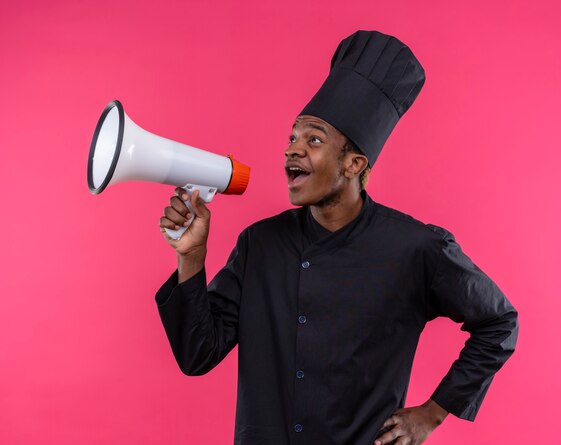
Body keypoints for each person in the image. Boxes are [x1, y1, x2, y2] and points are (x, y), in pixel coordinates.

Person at [155, 30, 518, 445]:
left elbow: (499, 321)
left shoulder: (415, 249)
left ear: (353, 164)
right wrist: (192, 257)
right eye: (292, 137)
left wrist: (432, 413)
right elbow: (197, 354)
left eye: (313, 139)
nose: (292, 149)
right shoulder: (260, 244)